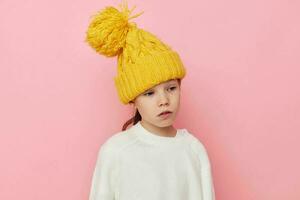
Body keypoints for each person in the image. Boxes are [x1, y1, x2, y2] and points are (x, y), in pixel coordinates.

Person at [85, 1, 216, 199]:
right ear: (133, 100)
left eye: (171, 88)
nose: (163, 100)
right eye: (149, 93)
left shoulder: (193, 150)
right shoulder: (116, 151)